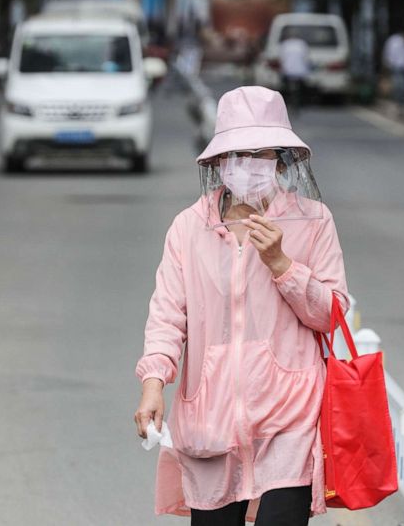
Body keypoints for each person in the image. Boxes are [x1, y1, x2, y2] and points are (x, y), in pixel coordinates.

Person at [135, 86, 349, 525]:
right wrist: (154, 381)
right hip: (210, 419)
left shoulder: (312, 222)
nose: (249, 165)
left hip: (289, 416)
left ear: (279, 158)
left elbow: (331, 314)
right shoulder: (188, 229)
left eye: (261, 153)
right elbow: (168, 315)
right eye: (238, 154)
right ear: (218, 160)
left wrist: (283, 265)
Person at [382, 25, 404, 109]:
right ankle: (397, 101)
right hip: (396, 67)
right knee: (398, 84)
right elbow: (387, 53)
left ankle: (403, 103)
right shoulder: (394, 40)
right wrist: (387, 66)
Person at [278, 28, 311, 117]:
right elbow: (306, 58)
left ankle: (288, 104)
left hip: (288, 71)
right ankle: (299, 104)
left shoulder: (285, 44)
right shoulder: (302, 44)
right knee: (301, 89)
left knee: (286, 89)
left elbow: (282, 59)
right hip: (300, 71)